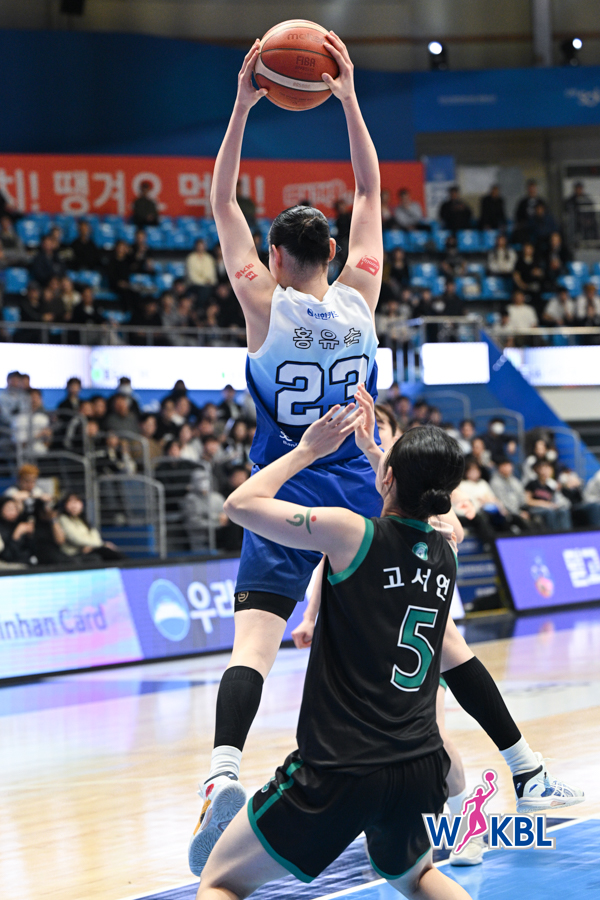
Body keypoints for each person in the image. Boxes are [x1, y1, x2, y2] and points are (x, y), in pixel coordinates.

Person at [190, 35, 583, 877]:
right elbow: (370, 188)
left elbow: (221, 199)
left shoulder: (261, 302)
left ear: (276, 259)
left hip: (287, 481)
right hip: (366, 494)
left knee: (252, 645)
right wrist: (350, 98)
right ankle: (517, 773)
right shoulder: (362, 299)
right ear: (334, 256)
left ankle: (222, 770)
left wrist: (244, 103)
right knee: (434, 647)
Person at [57, 493, 123, 561]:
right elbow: (76, 539)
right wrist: (101, 545)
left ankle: (128, 564)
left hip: (90, 548)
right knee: (106, 551)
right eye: (70, 502)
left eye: (76, 501)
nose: (74, 505)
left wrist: (93, 546)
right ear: (65, 504)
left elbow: (95, 535)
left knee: (112, 552)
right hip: (75, 552)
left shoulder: (83, 520)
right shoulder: (63, 519)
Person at [525, 460, 572, 531]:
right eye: (542, 469)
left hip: (549, 507)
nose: (545, 471)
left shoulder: (551, 486)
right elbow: (528, 501)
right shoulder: (532, 483)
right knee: (550, 512)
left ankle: (566, 533)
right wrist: (544, 504)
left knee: (563, 511)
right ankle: (553, 534)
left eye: (547, 469)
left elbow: (554, 500)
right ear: (537, 470)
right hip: (535, 509)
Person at [186, 238, 218, 307]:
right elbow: (192, 277)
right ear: (196, 246)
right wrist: (204, 282)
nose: (201, 248)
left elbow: (212, 274)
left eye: (202, 246)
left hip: (209, 284)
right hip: (194, 285)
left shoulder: (209, 258)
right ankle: (200, 308)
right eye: (199, 246)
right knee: (204, 290)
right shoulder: (191, 258)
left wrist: (209, 281)